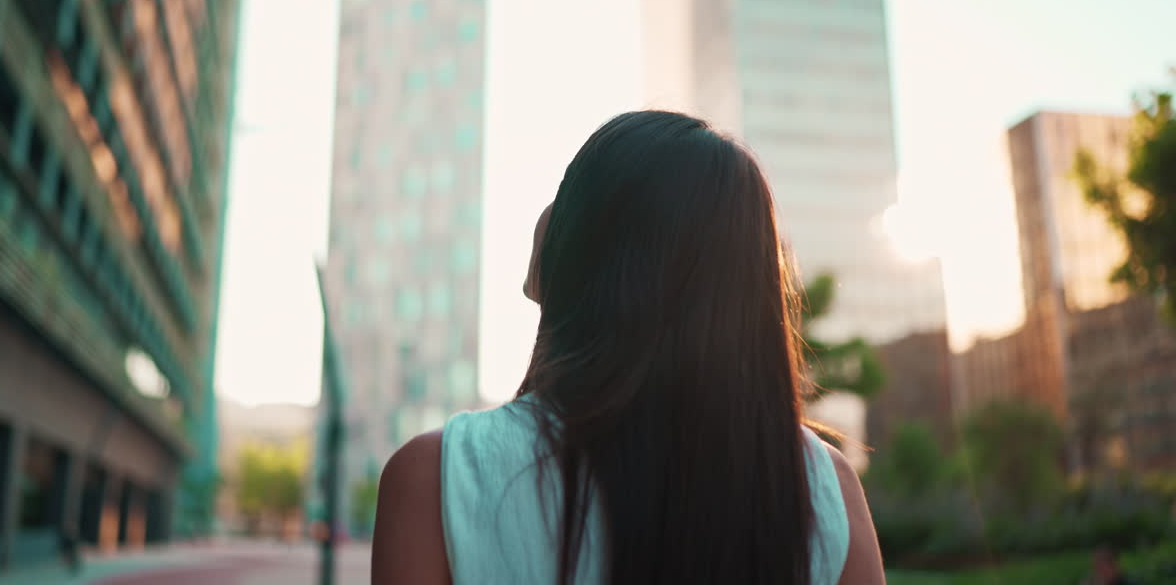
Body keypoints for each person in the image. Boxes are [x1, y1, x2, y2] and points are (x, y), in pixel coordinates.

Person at [372, 111, 884, 585]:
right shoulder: (824, 488)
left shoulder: (437, 478)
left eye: (566, 190)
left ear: (602, 253)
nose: (546, 212)